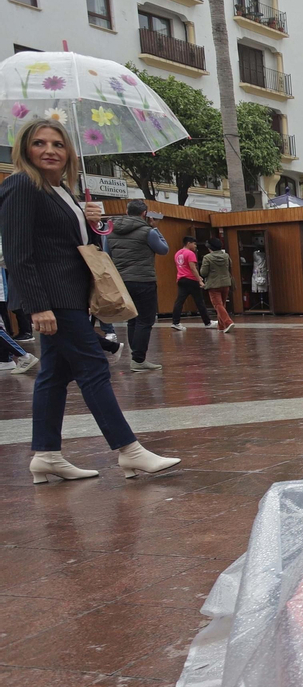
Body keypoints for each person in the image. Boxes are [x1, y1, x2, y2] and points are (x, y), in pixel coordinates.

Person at [0, 119, 180, 483]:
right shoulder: (21, 184)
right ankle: (129, 451)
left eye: (58, 144)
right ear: (25, 149)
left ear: (69, 153)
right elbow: (18, 253)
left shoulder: (63, 191)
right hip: (53, 298)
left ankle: (47, 454)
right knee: (94, 367)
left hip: (72, 296)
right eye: (39, 143)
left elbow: (84, 250)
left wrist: (91, 223)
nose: (49, 150)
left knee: (53, 374)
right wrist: (37, 305)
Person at [105, 199, 169, 370]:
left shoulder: (110, 231)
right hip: (143, 280)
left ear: (127, 212)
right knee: (145, 320)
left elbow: (106, 255)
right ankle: (138, 359)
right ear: (144, 214)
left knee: (132, 319)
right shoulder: (147, 231)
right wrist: (155, 227)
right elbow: (164, 249)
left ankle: (136, 356)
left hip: (122, 281)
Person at [169, 235, 213, 329]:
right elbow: (193, 268)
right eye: (194, 244)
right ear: (188, 243)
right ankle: (207, 322)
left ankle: (175, 322)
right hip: (191, 279)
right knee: (199, 302)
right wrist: (199, 280)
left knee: (179, 301)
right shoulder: (190, 253)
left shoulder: (177, 253)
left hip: (181, 279)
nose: (195, 246)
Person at [199, 238, 236, 333]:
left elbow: (203, 272)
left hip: (213, 285)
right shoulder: (226, 256)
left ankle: (228, 322)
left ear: (209, 247)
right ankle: (221, 326)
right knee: (222, 305)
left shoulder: (207, 258)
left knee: (218, 305)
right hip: (226, 283)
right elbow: (230, 267)